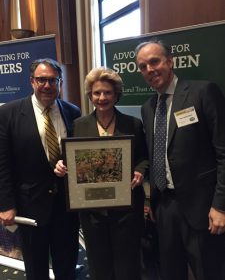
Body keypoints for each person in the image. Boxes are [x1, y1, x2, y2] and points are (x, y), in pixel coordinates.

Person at [135, 39, 225, 280]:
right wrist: (152, 200)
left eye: (154, 62)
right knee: (171, 272)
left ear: (170, 61)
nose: (149, 70)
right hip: (164, 207)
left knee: (209, 272)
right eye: (143, 66)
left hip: (203, 206)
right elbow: (156, 155)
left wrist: (220, 205)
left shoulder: (203, 92)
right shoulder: (148, 107)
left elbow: (223, 152)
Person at [54, 67, 148, 280]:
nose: (102, 97)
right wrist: (62, 165)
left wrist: (139, 171)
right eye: (97, 93)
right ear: (90, 95)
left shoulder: (132, 124)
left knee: (128, 264)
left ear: (116, 95)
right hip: (92, 210)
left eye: (107, 92)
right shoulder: (78, 125)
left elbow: (144, 157)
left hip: (126, 209)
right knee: (98, 264)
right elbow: (69, 158)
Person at [0, 58, 81, 280]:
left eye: (52, 80)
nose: (47, 85)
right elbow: (2, 163)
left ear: (60, 83)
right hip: (30, 206)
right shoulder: (8, 113)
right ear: (31, 82)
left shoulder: (73, 112)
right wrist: (6, 204)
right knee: (36, 268)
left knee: (67, 262)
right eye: (41, 80)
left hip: (67, 206)